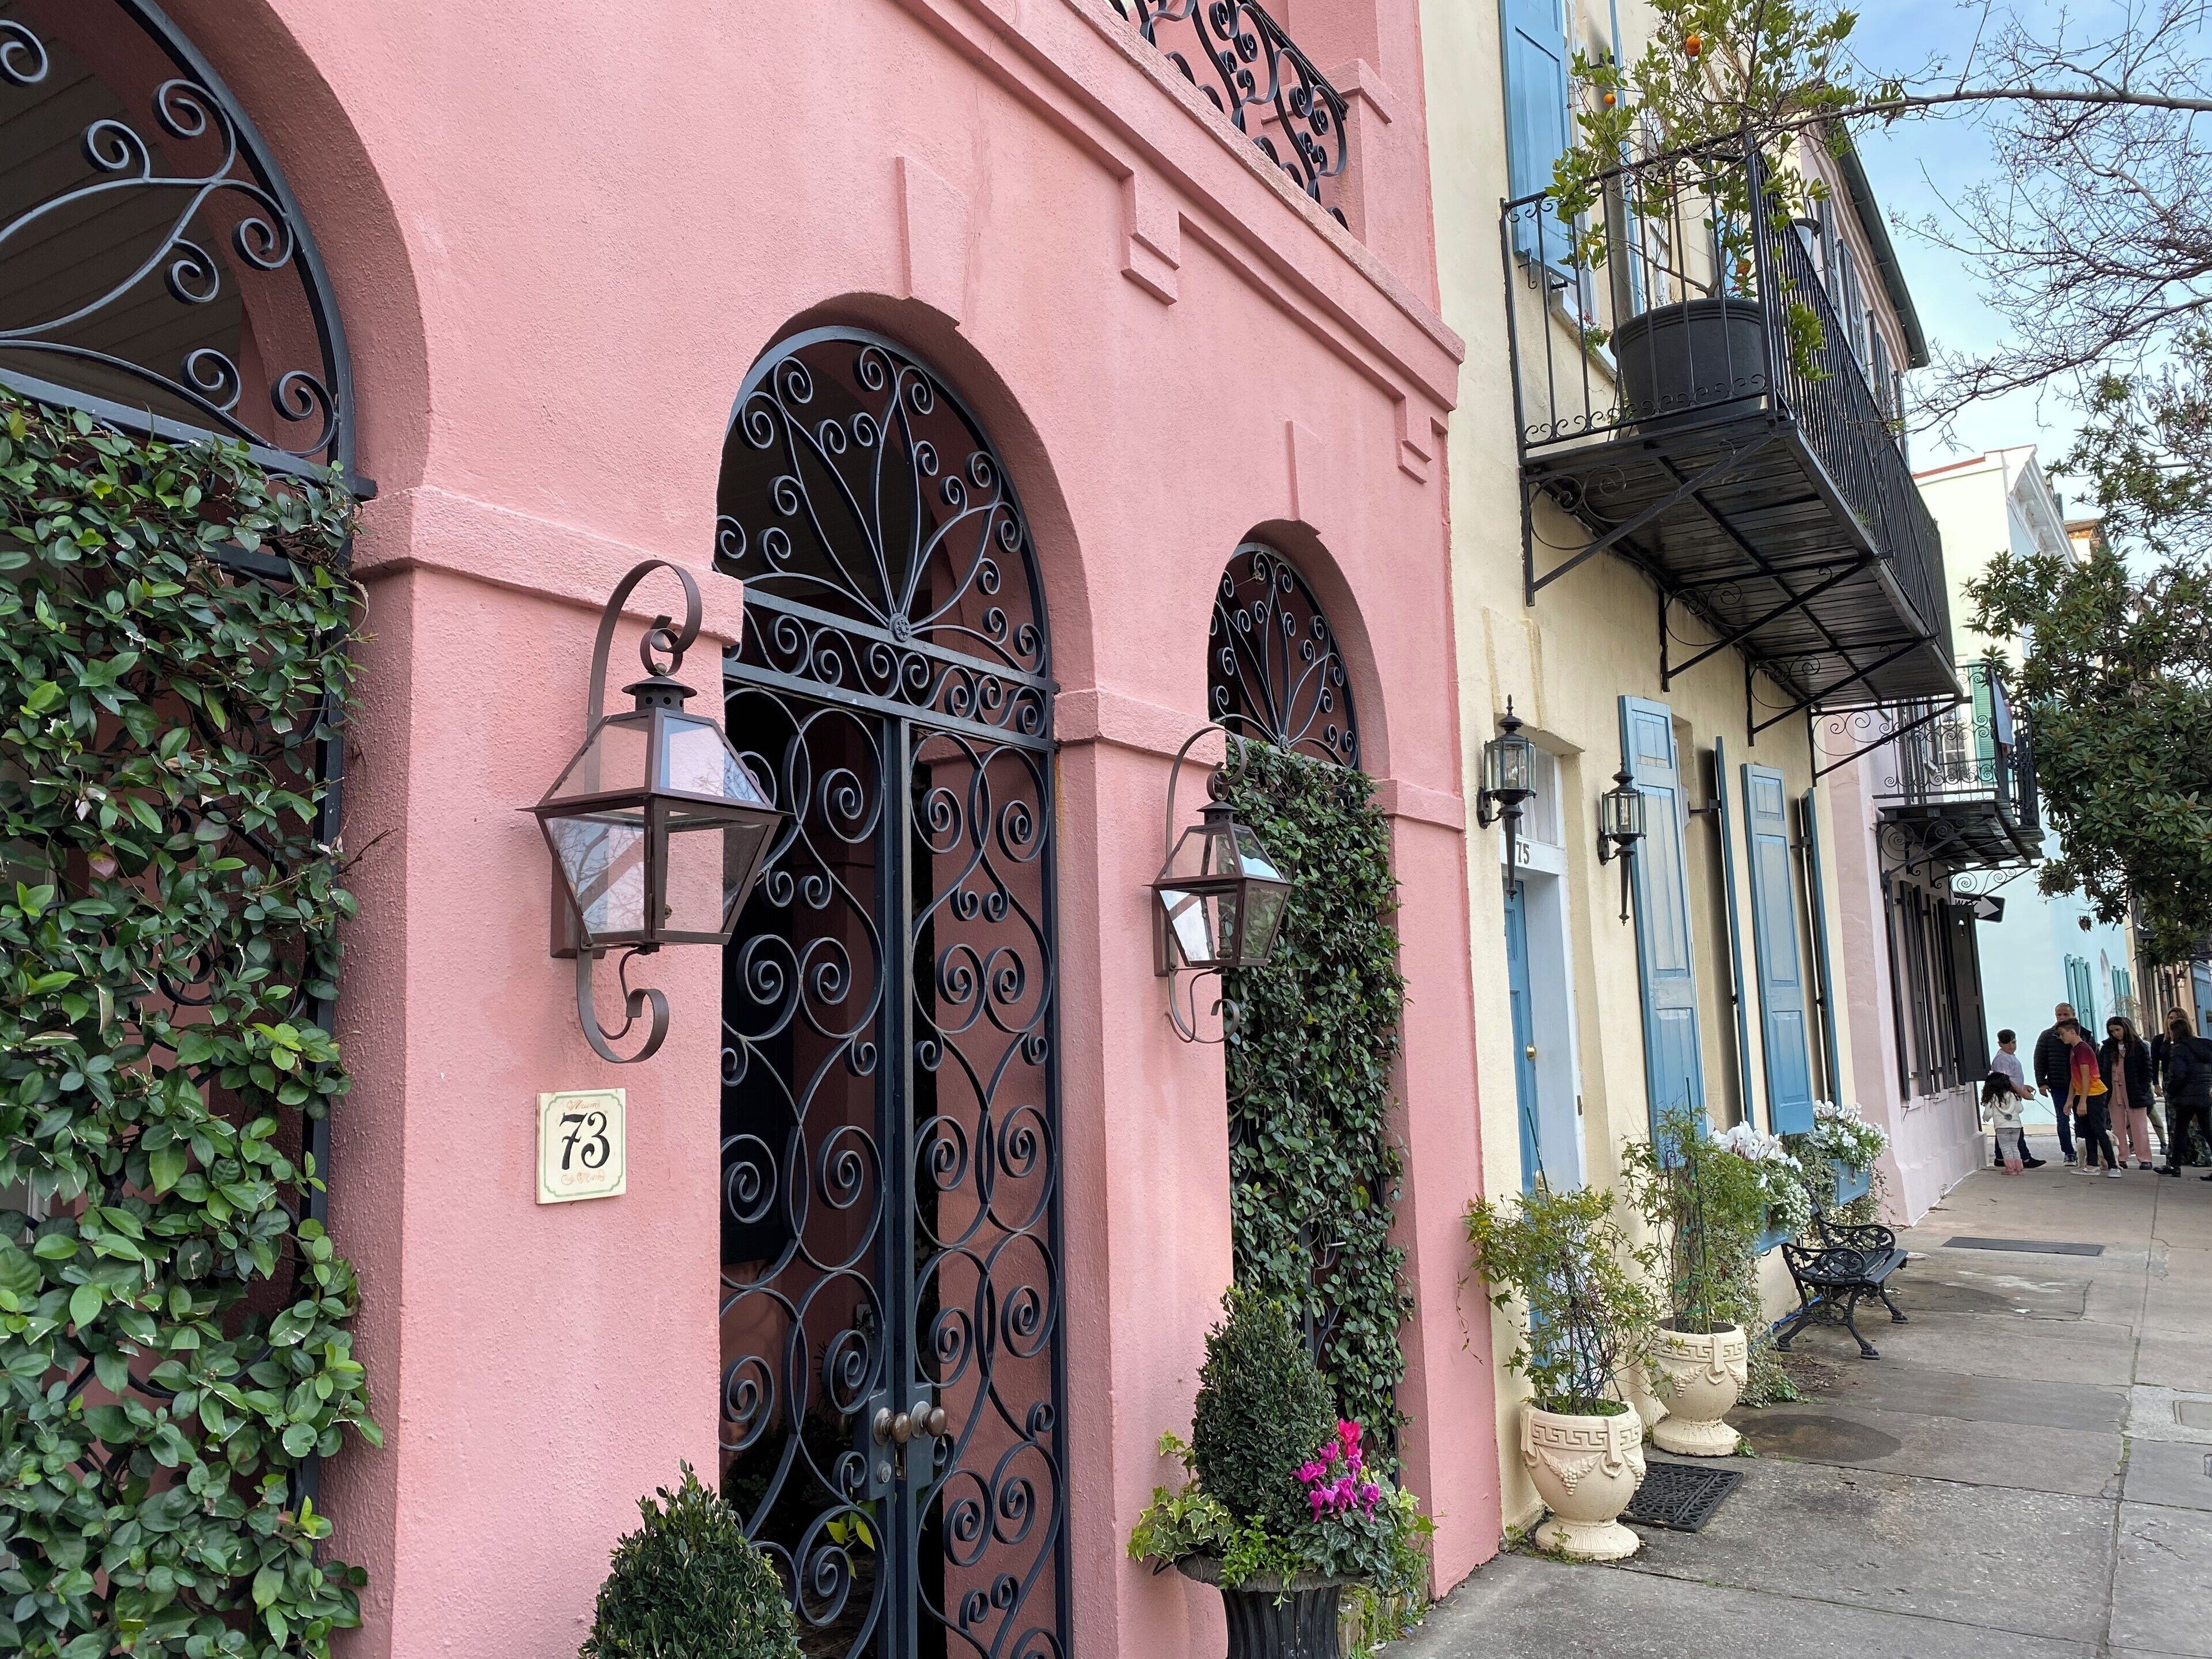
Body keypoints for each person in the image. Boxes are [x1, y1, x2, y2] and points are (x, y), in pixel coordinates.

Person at [2159, 1008, 2212, 1180]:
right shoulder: (2204, 1045)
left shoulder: (2179, 1049)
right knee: (2207, 1130)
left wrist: (2172, 1091)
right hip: (2203, 1094)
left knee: (2180, 1131)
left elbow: (2179, 1074)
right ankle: (2175, 1164)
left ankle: (2175, 1165)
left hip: (2186, 1096)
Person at [2064, 1018, 2120, 1176]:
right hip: (2083, 1094)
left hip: (2094, 1094)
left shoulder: (2083, 1049)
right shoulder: (2074, 1050)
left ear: (2073, 1032)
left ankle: (2113, 1166)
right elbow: (2074, 1078)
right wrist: (2070, 1100)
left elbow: (2086, 1076)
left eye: (2063, 1034)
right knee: (2087, 1131)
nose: (2062, 1037)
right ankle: (2092, 1164)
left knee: (2099, 1130)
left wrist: (2082, 1102)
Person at [2101, 1016, 2157, 1169]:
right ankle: (2121, 1156)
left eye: (2118, 1030)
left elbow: (2147, 1069)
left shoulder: (2138, 1046)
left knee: (2139, 1126)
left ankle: (2145, 1158)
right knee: (2117, 1126)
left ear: (2126, 1028)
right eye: (2112, 1031)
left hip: (2134, 1090)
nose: (2115, 1034)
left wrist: (2144, 1087)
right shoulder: (2107, 1048)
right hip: (2113, 1089)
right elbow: (2102, 1068)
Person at [1987, 1030, 2047, 1167]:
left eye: (2013, 1042)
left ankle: (2000, 1157)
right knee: (2014, 1126)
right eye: (2007, 1043)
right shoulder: (2002, 1059)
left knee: (2004, 1127)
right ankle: (2025, 1157)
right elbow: (2006, 1080)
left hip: (2012, 1094)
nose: (2011, 1046)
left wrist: (2023, 1087)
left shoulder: (2010, 1056)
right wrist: (2022, 1092)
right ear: (2000, 1044)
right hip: (2007, 1098)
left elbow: (2013, 1078)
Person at [2034, 1003, 2082, 1164]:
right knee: (2063, 1119)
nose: (2062, 1018)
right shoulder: (2048, 1036)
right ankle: (2068, 1152)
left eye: (2065, 1015)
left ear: (2073, 1015)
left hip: (2081, 1085)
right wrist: (2041, 1082)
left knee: (2082, 1118)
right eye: (2059, 1015)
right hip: (2058, 1084)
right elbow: (2039, 1060)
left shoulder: (2084, 1035)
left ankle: (2085, 1150)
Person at [1982, 1069, 2032, 1174]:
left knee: (2005, 1148)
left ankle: (2010, 1169)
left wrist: (1985, 1118)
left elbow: (1988, 1114)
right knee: (2014, 1146)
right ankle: (2019, 1168)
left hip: (2001, 1127)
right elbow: (2020, 1109)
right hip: (2016, 1126)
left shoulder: (1993, 1098)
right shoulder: (2013, 1096)